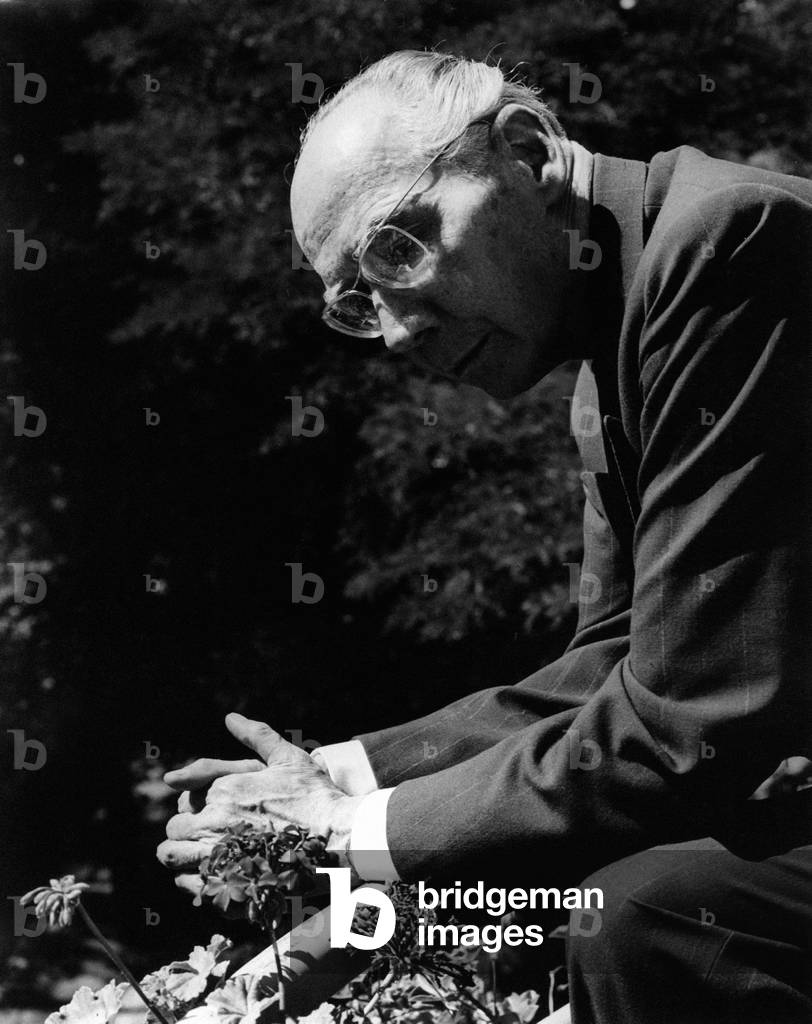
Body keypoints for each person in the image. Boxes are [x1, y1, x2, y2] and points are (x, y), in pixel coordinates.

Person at [157, 52, 812, 1023]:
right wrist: (335, 776)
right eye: (354, 297)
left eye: (398, 246)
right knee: (575, 902)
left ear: (527, 152)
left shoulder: (723, 245)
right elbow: (611, 667)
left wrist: (347, 831)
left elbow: (688, 720)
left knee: (644, 913)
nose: (390, 327)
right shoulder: (614, 341)